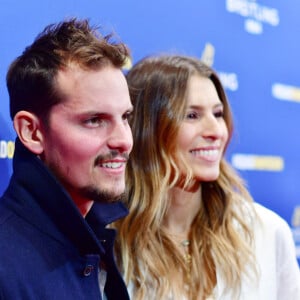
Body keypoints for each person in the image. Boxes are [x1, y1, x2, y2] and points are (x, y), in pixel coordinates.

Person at [113, 55, 300, 299]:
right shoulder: (108, 243)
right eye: (192, 115)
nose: (215, 131)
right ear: (147, 129)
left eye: (218, 113)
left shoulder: (266, 231)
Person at [0, 18, 133, 300]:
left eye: (126, 117)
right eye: (95, 120)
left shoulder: (102, 240)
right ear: (32, 132)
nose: (124, 140)